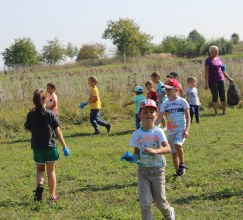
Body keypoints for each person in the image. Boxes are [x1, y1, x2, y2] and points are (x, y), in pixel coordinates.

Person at [129, 98, 175, 220]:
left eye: (151, 111)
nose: (148, 114)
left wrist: (155, 151)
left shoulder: (158, 131)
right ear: (140, 115)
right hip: (143, 172)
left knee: (160, 202)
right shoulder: (136, 134)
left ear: (156, 115)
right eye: (145, 112)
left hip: (157, 171)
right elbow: (136, 153)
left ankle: (169, 213)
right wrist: (131, 158)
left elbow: (168, 148)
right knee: (145, 203)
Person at [24, 89, 70, 202]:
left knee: (40, 171)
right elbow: (58, 132)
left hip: (37, 148)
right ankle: (52, 195)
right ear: (45, 100)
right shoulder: (50, 114)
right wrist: (64, 146)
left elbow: (29, 128)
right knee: (51, 172)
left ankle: (40, 186)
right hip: (50, 148)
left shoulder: (30, 114)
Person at [155, 79, 190, 176]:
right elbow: (159, 118)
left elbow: (188, 117)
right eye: (166, 89)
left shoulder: (183, 101)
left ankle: (182, 164)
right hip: (171, 132)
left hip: (181, 130)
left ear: (176, 89)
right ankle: (178, 172)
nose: (167, 92)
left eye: (169, 89)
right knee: (173, 153)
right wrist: (152, 128)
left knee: (178, 145)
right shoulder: (165, 104)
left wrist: (186, 130)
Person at [204, 45, 234, 115]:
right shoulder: (207, 60)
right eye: (216, 51)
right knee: (215, 96)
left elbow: (223, 71)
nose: (218, 52)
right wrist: (206, 83)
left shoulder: (218, 58)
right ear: (212, 52)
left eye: (217, 51)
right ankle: (216, 113)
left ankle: (224, 112)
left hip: (221, 80)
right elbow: (206, 73)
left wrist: (229, 79)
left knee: (223, 96)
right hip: (212, 81)